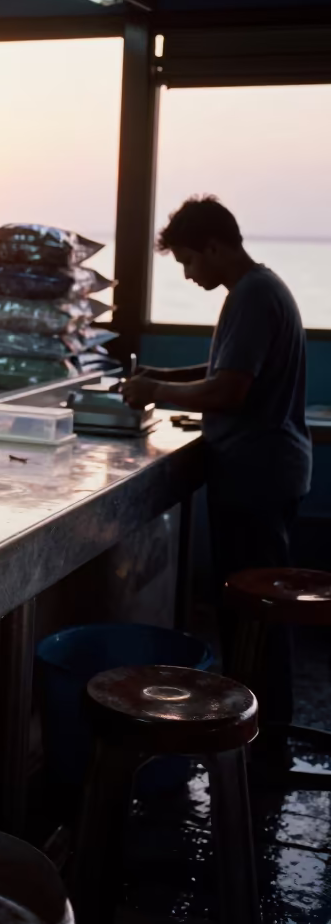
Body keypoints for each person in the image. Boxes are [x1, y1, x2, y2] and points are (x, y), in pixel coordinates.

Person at [122, 195, 311, 724]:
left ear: (213, 246)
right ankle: (257, 727)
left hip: (258, 477)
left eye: (187, 260)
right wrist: (163, 375)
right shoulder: (258, 289)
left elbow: (230, 390)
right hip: (267, 470)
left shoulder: (252, 296)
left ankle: (260, 738)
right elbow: (223, 367)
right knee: (249, 610)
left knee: (255, 616)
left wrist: (154, 388)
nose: (186, 274)